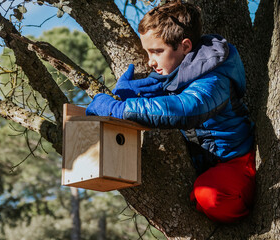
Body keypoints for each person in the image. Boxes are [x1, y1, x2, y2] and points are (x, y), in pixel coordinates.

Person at [86, 0, 255, 223]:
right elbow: (164, 95)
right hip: (206, 165)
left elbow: (186, 109)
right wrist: (131, 94)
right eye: (148, 52)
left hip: (235, 162)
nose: (150, 61)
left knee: (209, 196)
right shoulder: (177, 72)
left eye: (157, 51)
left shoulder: (215, 77)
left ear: (185, 46)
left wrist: (119, 108)